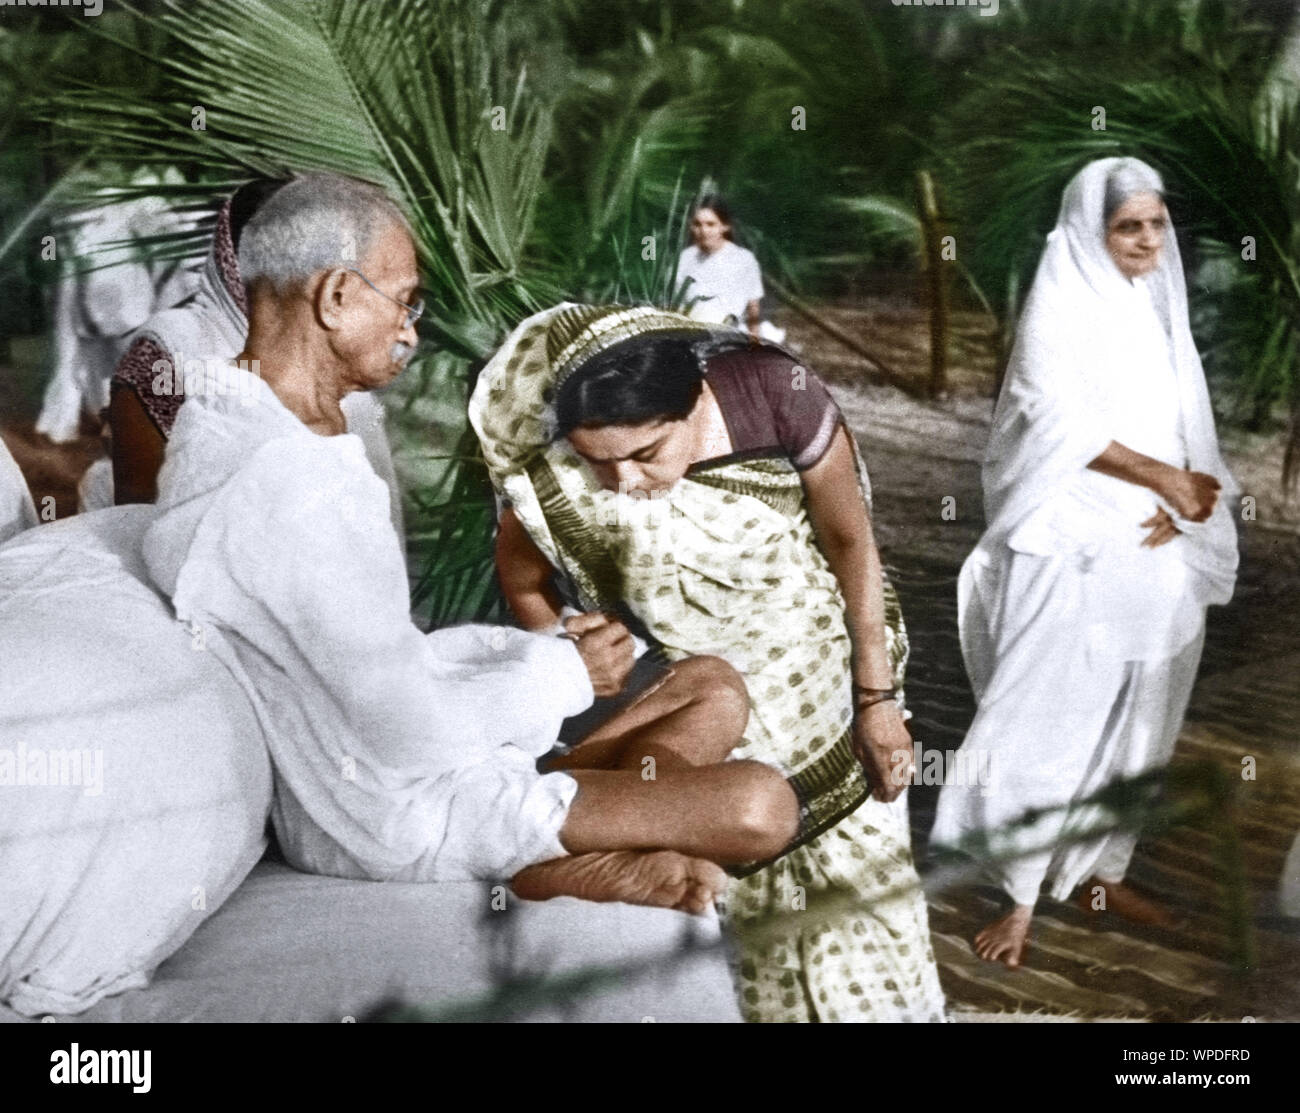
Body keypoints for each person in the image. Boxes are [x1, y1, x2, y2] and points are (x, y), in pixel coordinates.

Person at [141, 173, 801, 915]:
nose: (411, 331)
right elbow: (397, 728)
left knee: (713, 684)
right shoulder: (281, 483)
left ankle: (607, 834)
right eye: (404, 299)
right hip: (397, 813)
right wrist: (566, 675)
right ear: (334, 296)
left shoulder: (264, 426)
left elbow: (384, 663)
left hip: (441, 759)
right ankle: (544, 861)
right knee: (761, 806)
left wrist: (543, 655)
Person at [471, 302, 946, 1022]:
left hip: (831, 691)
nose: (625, 481)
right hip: (722, 712)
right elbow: (524, 579)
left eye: (647, 452)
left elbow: (853, 543)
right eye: (601, 461)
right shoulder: (563, 475)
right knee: (745, 918)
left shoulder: (771, 392)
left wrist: (878, 700)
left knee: (867, 904)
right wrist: (567, 644)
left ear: (693, 400)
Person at [930, 157, 1240, 968]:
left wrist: (1186, 501)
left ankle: (1104, 870)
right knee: (1048, 714)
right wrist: (1161, 479)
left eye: (1155, 223)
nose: (1144, 240)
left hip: (1149, 542)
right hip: (1066, 537)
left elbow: (1183, 424)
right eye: (1126, 226)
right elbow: (1052, 419)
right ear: (1092, 230)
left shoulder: (1150, 303)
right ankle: (1021, 893)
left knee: (1141, 716)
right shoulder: (1061, 297)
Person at [103, 180, 403, 538]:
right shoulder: (172, 347)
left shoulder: (340, 353)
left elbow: (373, 523)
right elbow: (139, 512)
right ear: (238, 257)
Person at [675, 195, 785, 343]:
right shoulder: (685, 258)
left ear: (725, 226)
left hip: (731, 335)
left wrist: (754, 345)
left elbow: (753, 308)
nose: (703, 231)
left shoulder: (743, 259)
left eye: (710, 224)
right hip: (692, 334)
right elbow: (677, 306)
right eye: (697, 224)